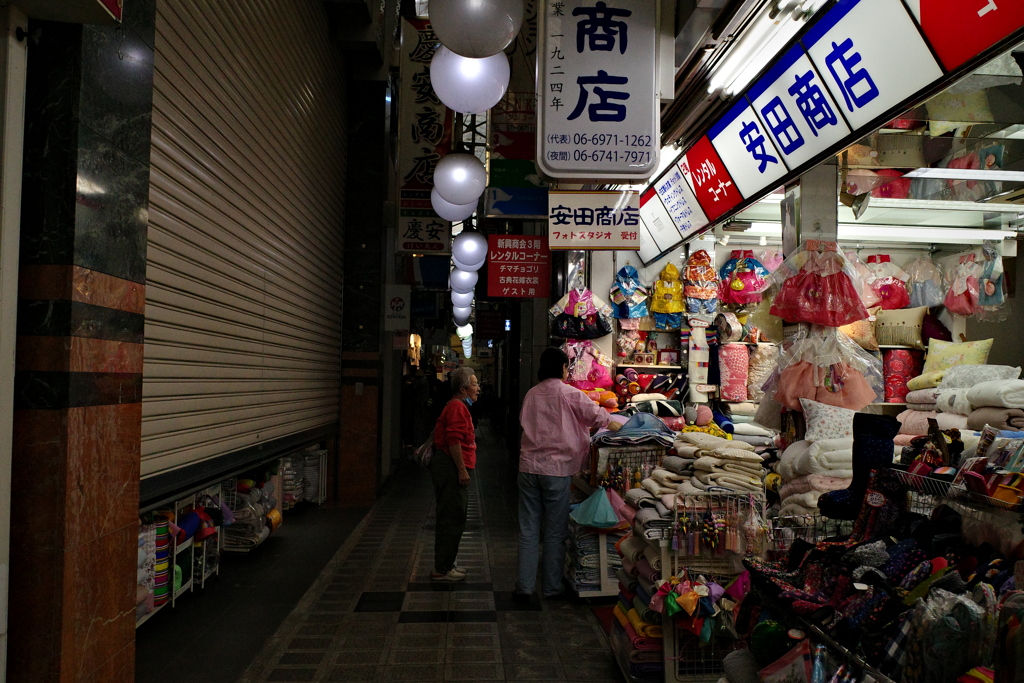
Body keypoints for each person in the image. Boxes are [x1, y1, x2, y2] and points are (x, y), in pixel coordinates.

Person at [514, 347, 621, 601]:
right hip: (556, 471)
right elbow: (597, 416)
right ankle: (551, 587)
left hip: (528, 468)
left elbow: (524, 422)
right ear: (563, 368)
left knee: (528, 530)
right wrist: (619, 424)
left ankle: (525, 588)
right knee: (554, 531)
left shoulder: (531, 394)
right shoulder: (569, 393)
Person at [430, 366, 480, 582]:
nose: (478, 388)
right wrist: (461, 469)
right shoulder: (457, 408)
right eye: (475, 384)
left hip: (450, 466)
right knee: (452, 517)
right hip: (450, 467)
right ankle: (442, 569)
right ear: (463, 388)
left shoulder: (456, 406)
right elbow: (453, 440)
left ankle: (447, 564)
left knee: (453, 516)